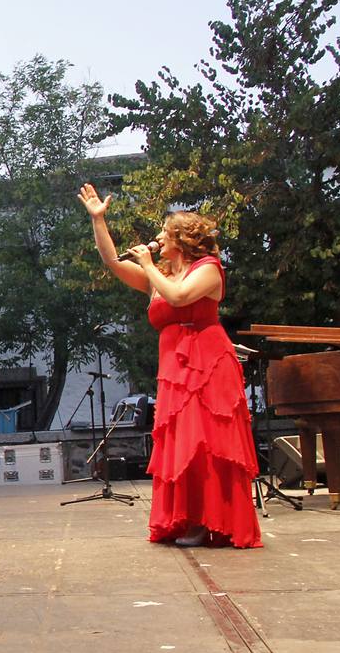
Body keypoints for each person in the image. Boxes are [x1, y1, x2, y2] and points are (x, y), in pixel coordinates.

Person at [79, 182, 262, 549]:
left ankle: (217, 520)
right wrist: (99, 221)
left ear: (182, 238)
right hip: (176, 370)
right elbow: (112, 262)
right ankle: (189, 520)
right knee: (183, 446)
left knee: (208, 444)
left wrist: (148, 265)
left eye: (164, 233)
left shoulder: (209, 269)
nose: (158, 238)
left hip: (209, 364)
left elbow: (179, 298)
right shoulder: (159, 277)